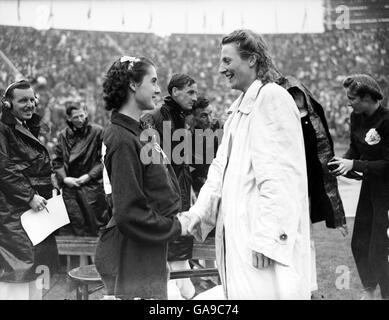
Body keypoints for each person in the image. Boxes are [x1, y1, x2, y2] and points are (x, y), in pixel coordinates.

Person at [186, 29, 311, 300]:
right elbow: (218, 172)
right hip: (240, 240)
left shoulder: (272, 98)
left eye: (227, 61)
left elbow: (282, 176)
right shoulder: (237, 111)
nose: (221, 69)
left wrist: (268, 239)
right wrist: (196, 215)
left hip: (262, 247)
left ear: (252, 59)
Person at [95, 56, 189, 300]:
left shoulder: (138, 131)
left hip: (146, 249)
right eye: (154, 81)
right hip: (129, 256)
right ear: (134, 84)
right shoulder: (122, 138)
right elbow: (129, 213)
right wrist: (177, 226)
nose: (159, 89)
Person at [277, 76, 348, 295]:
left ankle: (309, 286)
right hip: (287, 185)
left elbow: (322, 155)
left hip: (305, 186)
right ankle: (295, 287)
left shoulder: (312, 119)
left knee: (305, 238)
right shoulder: (282, 120)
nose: (296, 99)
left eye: (298, 94)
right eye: (292, 95)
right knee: (288, 237)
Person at [328, 74, 389, 300]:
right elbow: (355, 149)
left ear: (366, 98)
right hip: (369, 190)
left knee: (379, 248)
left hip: (386, 193)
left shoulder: (387, 121)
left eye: (352, 98)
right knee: (359, 244)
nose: (349, 102)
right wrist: (340, 163)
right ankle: (369, 288)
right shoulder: (357, 117)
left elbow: (387, 164)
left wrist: (354, 164)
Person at [141, 73, 198, 300]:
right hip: (164, 199)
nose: (195, 97)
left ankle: (184, 292)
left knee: (180, 251)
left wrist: (189, 189)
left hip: (180, 193)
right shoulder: (153, 118)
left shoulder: (181, 117)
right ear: (175, 92)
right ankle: (182, 294)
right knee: (171, 254)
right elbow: (150, 165)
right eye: (191, 92)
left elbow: (181, 162)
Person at [0, 80, 59, 299]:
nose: (30, 104)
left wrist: (50, 181)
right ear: (7, 104)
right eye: (22, 100)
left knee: (34, 271)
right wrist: (30, 195)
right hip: (14, 211)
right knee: (16, 274)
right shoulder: (3, 128)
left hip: (30, 211)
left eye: (32, 99)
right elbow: (4, 168)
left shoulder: (25, 125)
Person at [52, 101, 109, 236]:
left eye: (82, 116)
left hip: (92, 187)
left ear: (86, 114)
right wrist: (65, 179)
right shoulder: (63, 135)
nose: (80, 120)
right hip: (70, 187)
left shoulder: (97, 132)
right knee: (74, 226)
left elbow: (105, 159)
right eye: (76, 117)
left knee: (96, 226)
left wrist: (89, 176)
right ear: (69, 119)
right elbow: (57, 161)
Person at [190, 96, 222, 195]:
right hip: (196, 184)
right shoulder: (188, 134)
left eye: (210, 113)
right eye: (203, 116)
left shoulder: (219, 127)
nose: (209, 119)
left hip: (217, 180)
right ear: (194, 118)